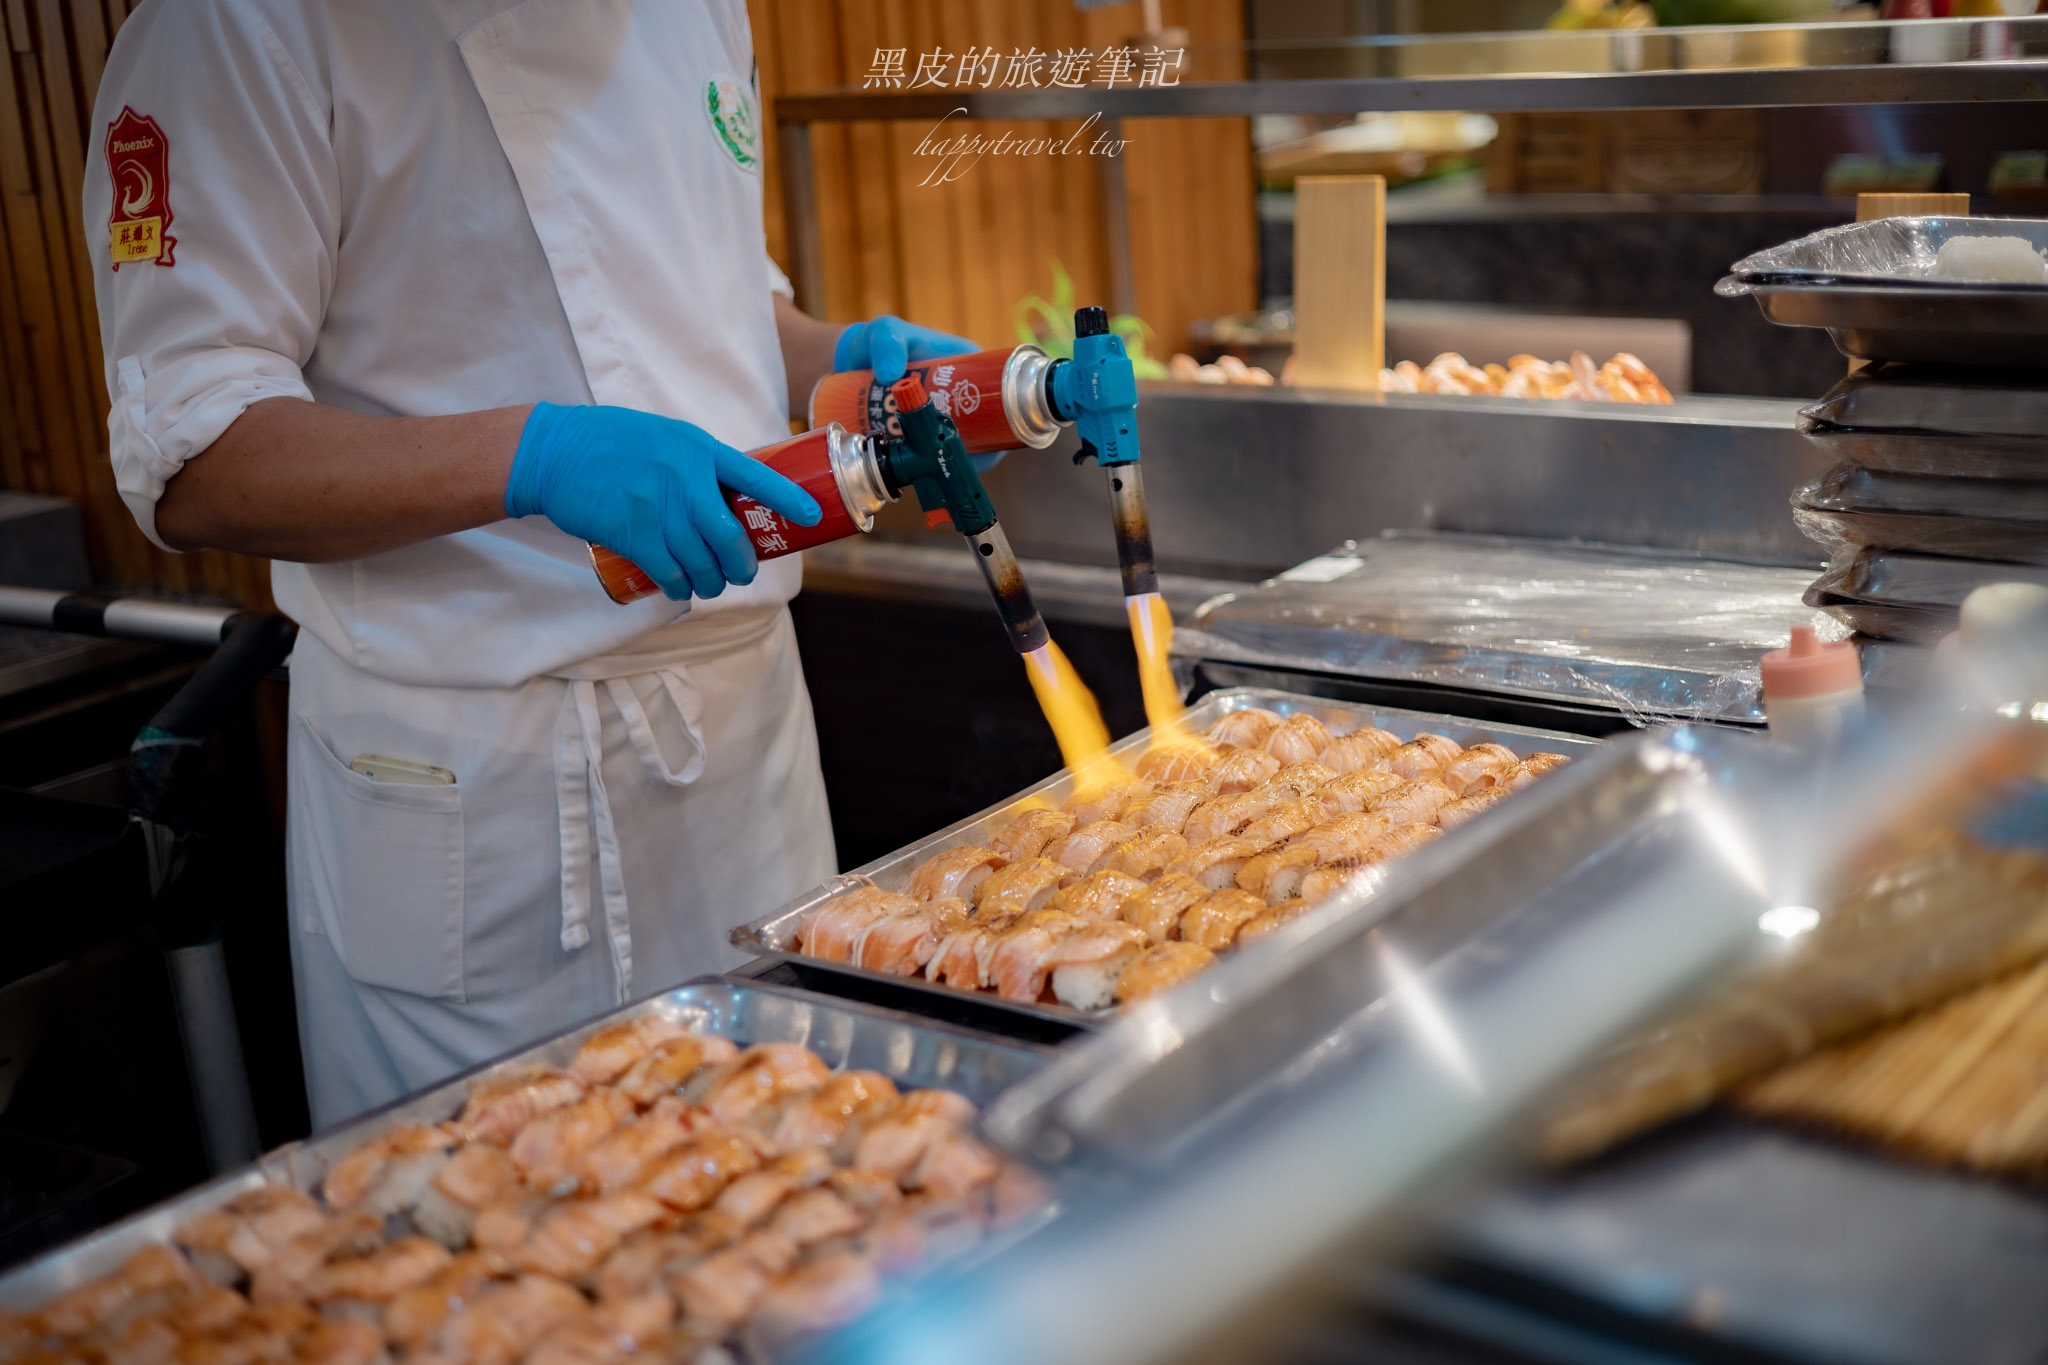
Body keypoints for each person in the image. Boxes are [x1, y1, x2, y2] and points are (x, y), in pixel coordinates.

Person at [86, 0, 974, 1128]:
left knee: (801, 1190)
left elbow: (716, 301)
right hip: (487, 792)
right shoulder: (238, 28)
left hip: (749, 747)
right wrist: (530, 456)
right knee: (502, 1250)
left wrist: (837, 364)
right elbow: (198, 453)